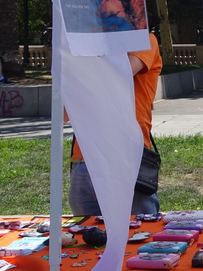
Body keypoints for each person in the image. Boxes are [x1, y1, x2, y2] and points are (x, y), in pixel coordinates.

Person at [69, 33, 163, 216]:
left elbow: (120, 74)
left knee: (138, 227)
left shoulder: (143, 39)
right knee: (85, 229)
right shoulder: (88, 45)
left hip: (126, 155)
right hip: (85, 157)